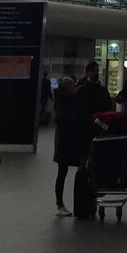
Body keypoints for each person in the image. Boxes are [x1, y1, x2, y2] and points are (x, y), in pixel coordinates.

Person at [53, 77, 77, 216]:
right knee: (62, 173)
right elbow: (63, 120)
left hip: (64, 141)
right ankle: (60, 204)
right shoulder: (65, 102)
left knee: (62, 172)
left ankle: (60, 203)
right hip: (65, 141)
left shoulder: (62, 100)